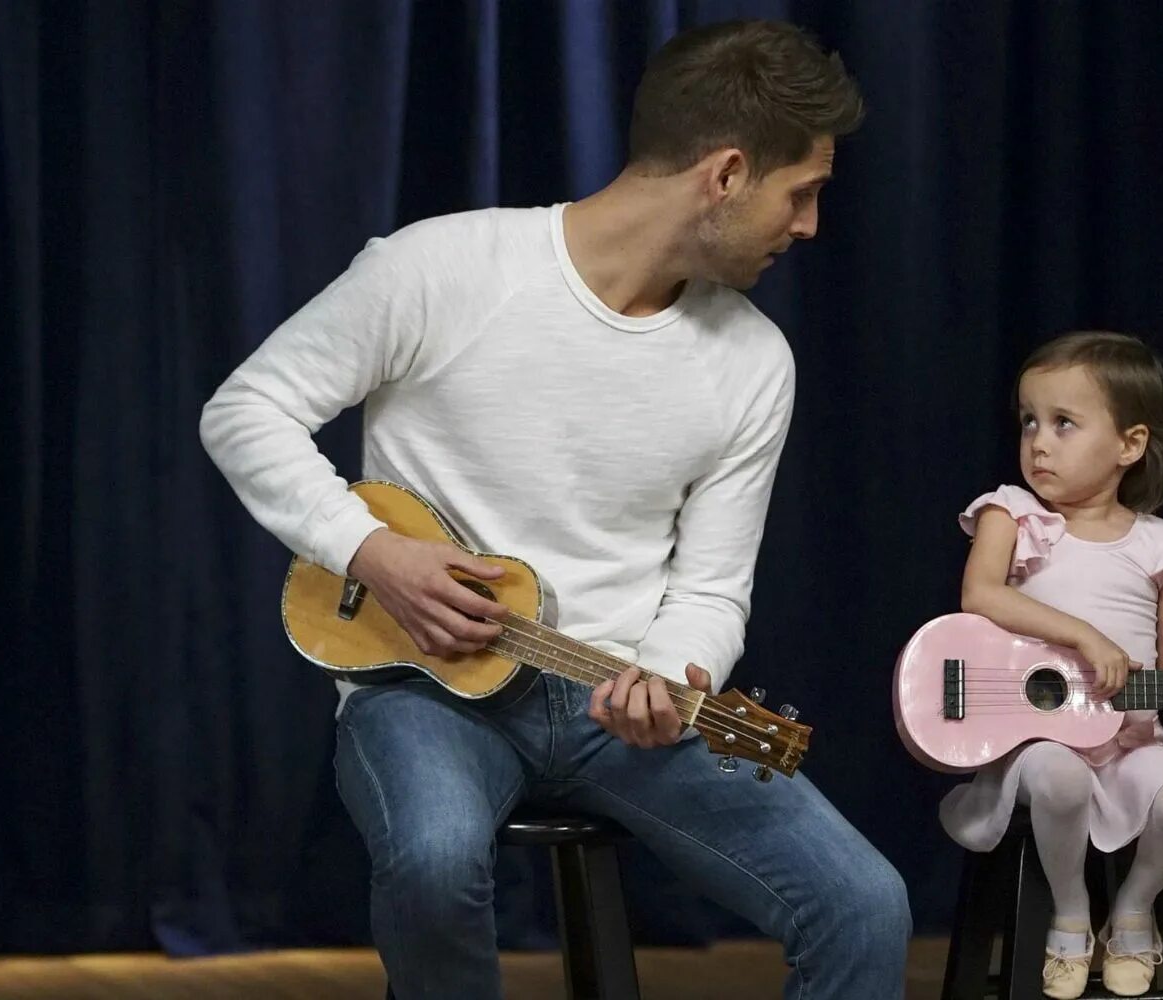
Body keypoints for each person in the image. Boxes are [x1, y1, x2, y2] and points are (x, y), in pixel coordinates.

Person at [200, 19, 908, 999]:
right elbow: (247, 409)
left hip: (613, 701)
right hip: (420, 693)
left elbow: (710, 586)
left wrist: (667, 676)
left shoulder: (754, 362)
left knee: (864, 902)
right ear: (727, 173)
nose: (808, 227)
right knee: (436, 860)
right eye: (803, 193)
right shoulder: (439, 269)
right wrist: (370, 553)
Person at [942, 331, 1163, 998]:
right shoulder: (1012, 515)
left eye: (1063, 424)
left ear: (1128, 446)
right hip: (1038, 740)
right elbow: (981, 595)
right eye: (1029, 421)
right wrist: (1082, 636)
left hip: (1131, 738)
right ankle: (1071, 911)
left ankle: (1133, 911)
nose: (1038, 442)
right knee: (1059, 778)